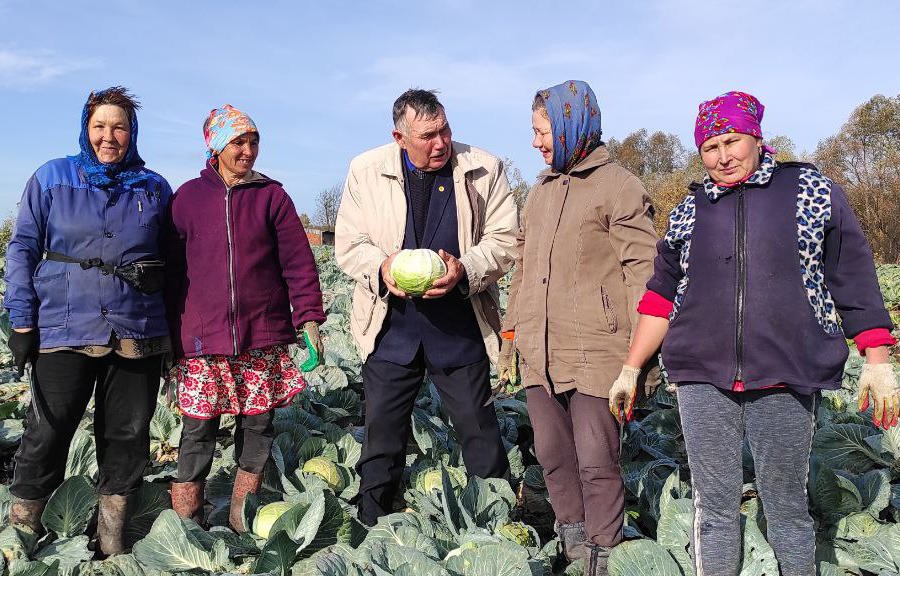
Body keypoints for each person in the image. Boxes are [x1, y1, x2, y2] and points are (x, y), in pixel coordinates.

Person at [608, 91, 900, 576]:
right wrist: (630, 367)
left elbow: (851, 272)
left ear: (757, 138)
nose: (722, 156)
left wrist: (877, 356)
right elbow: (660, 297)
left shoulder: (809, 190)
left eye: (732, 140)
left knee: (786, 504)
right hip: (701, 376)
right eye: (710, 147)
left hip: (786, 370)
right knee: (714, 507)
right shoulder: (689, 211)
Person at [335, 89, 517, 525]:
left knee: (478, 430)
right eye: (428, 136)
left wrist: (466, 270)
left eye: (445, 131)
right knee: (382, 433)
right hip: (390, 324)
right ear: (400, 136)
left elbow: (505, 240)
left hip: (458, 322)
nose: (441, 143)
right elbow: (349, 243)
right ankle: (371, 520)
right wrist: (383, 269)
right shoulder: (365, 171)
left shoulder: (483, 168)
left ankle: (499, 521)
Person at [4, 87, 173, 555]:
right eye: (100, 126)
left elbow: (176, 260)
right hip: (63, 327)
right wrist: (21, 321)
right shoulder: (52, 178)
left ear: (131, 132)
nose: (108, 136)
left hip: (136, 331)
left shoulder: (153, 187)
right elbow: (21, 247)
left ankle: (111, 545)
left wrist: (177, 333)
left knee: (127, 438)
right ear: (86, 129)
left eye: (119, 127)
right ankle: (20, 539)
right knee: (48, 432)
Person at [499, 80, 658, 575]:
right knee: (552, 458)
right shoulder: (541, 190)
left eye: (542, 131)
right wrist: (512, 339)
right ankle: (573, 550)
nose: (535, 142)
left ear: (572, 126)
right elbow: (522, 270)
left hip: (599, 351)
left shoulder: (619, 186)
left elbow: (645, 274)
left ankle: (604, 557)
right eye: (533, 132)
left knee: (596, 462)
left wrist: (640, 361)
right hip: (540, 352)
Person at [165, 105, 326, 532]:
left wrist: (309, 317)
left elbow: (299, 262)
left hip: (261, 334)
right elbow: (169, 270)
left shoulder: (272, 195)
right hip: (203, 340)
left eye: (254, 141)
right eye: (239, 142)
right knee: (197, 431)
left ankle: (242, 517)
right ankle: (187, 522)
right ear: (216, 147)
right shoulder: (187, 199)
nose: (248, 150)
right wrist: (167, 337)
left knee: (258, 428)